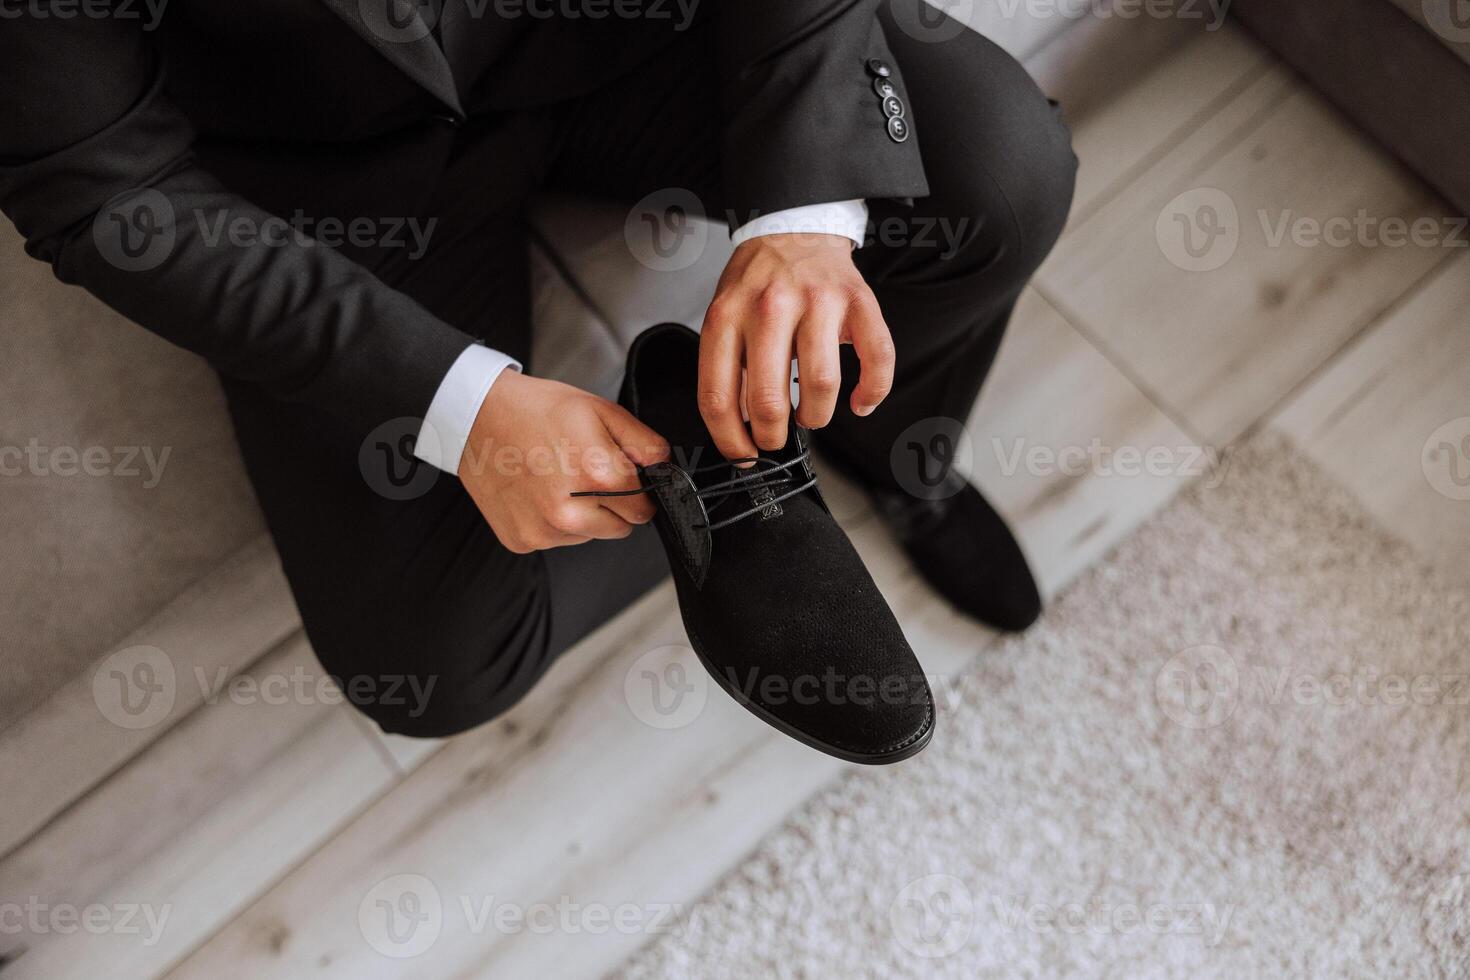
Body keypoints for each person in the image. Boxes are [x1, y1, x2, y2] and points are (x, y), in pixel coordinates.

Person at [0, 0, 1077, 737]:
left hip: (639, 30)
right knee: (432, 664)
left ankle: (877, 441)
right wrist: (458, 406)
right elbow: (100, 187)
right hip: (324, 161)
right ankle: (704, 463)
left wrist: (803, 216)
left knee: (1001, 176)